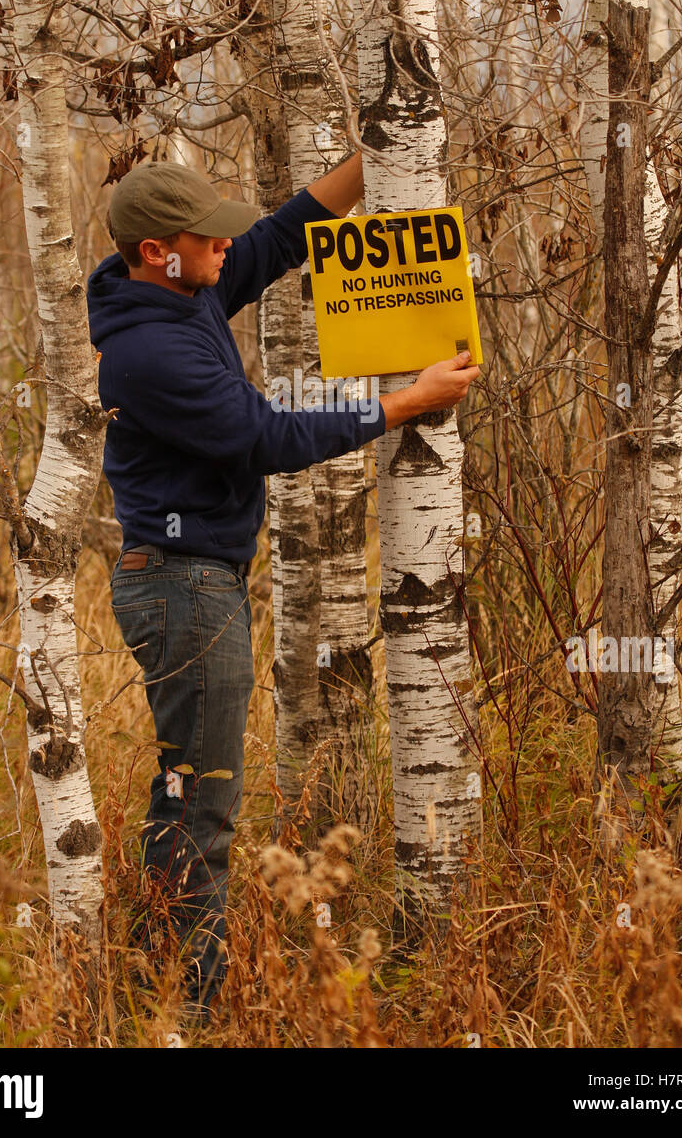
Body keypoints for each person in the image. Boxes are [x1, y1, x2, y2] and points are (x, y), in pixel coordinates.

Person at [86, 149, 480, 1017]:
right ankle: (186, 1005)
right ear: (158, 250)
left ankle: (164, 980)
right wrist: (404, 405)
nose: (225, 249)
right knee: (205, 808)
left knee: (189, 794)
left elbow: (275, 239)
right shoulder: (149, 352)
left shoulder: (181, 296)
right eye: (207, 239)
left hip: (196, 582)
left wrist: (373, 158)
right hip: (186, 592)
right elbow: (264, 437)